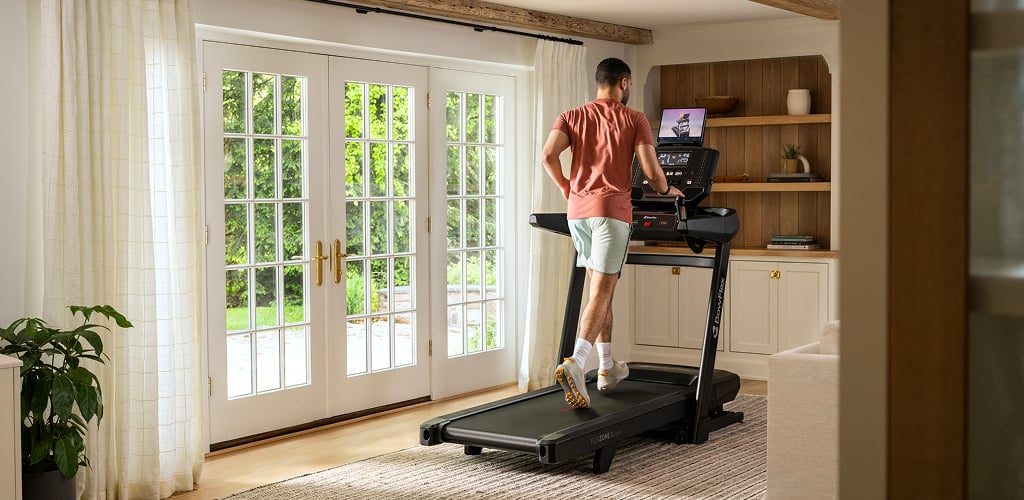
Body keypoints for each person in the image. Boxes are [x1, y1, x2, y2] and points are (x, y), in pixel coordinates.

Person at [540, 57, 683, 408]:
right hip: (611, 213)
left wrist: (566, 187)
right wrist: (668, 191)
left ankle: (606, 368)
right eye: (628, 85)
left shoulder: (570, 116)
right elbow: (650, 172)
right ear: (624, 82)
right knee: (602, 293)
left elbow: (547, 156)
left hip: (578, 214)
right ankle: (576, 362)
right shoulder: (633, 119)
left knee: (599, 292)